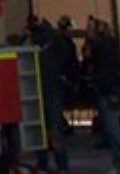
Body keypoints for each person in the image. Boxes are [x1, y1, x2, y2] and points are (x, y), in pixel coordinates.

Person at [85, 19, 120, 174]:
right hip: (110, 90)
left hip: (108, 91)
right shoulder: (107, 45)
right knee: (114, 130)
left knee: (114, 130)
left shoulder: (103, 47)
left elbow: (95, 64)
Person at [32, 19, 72, 174]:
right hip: (53, 91)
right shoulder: (57, 45)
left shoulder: (39, 47)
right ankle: (62, 165)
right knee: (55, 132)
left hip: (43, 91)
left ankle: (44, 163)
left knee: (42, 132)